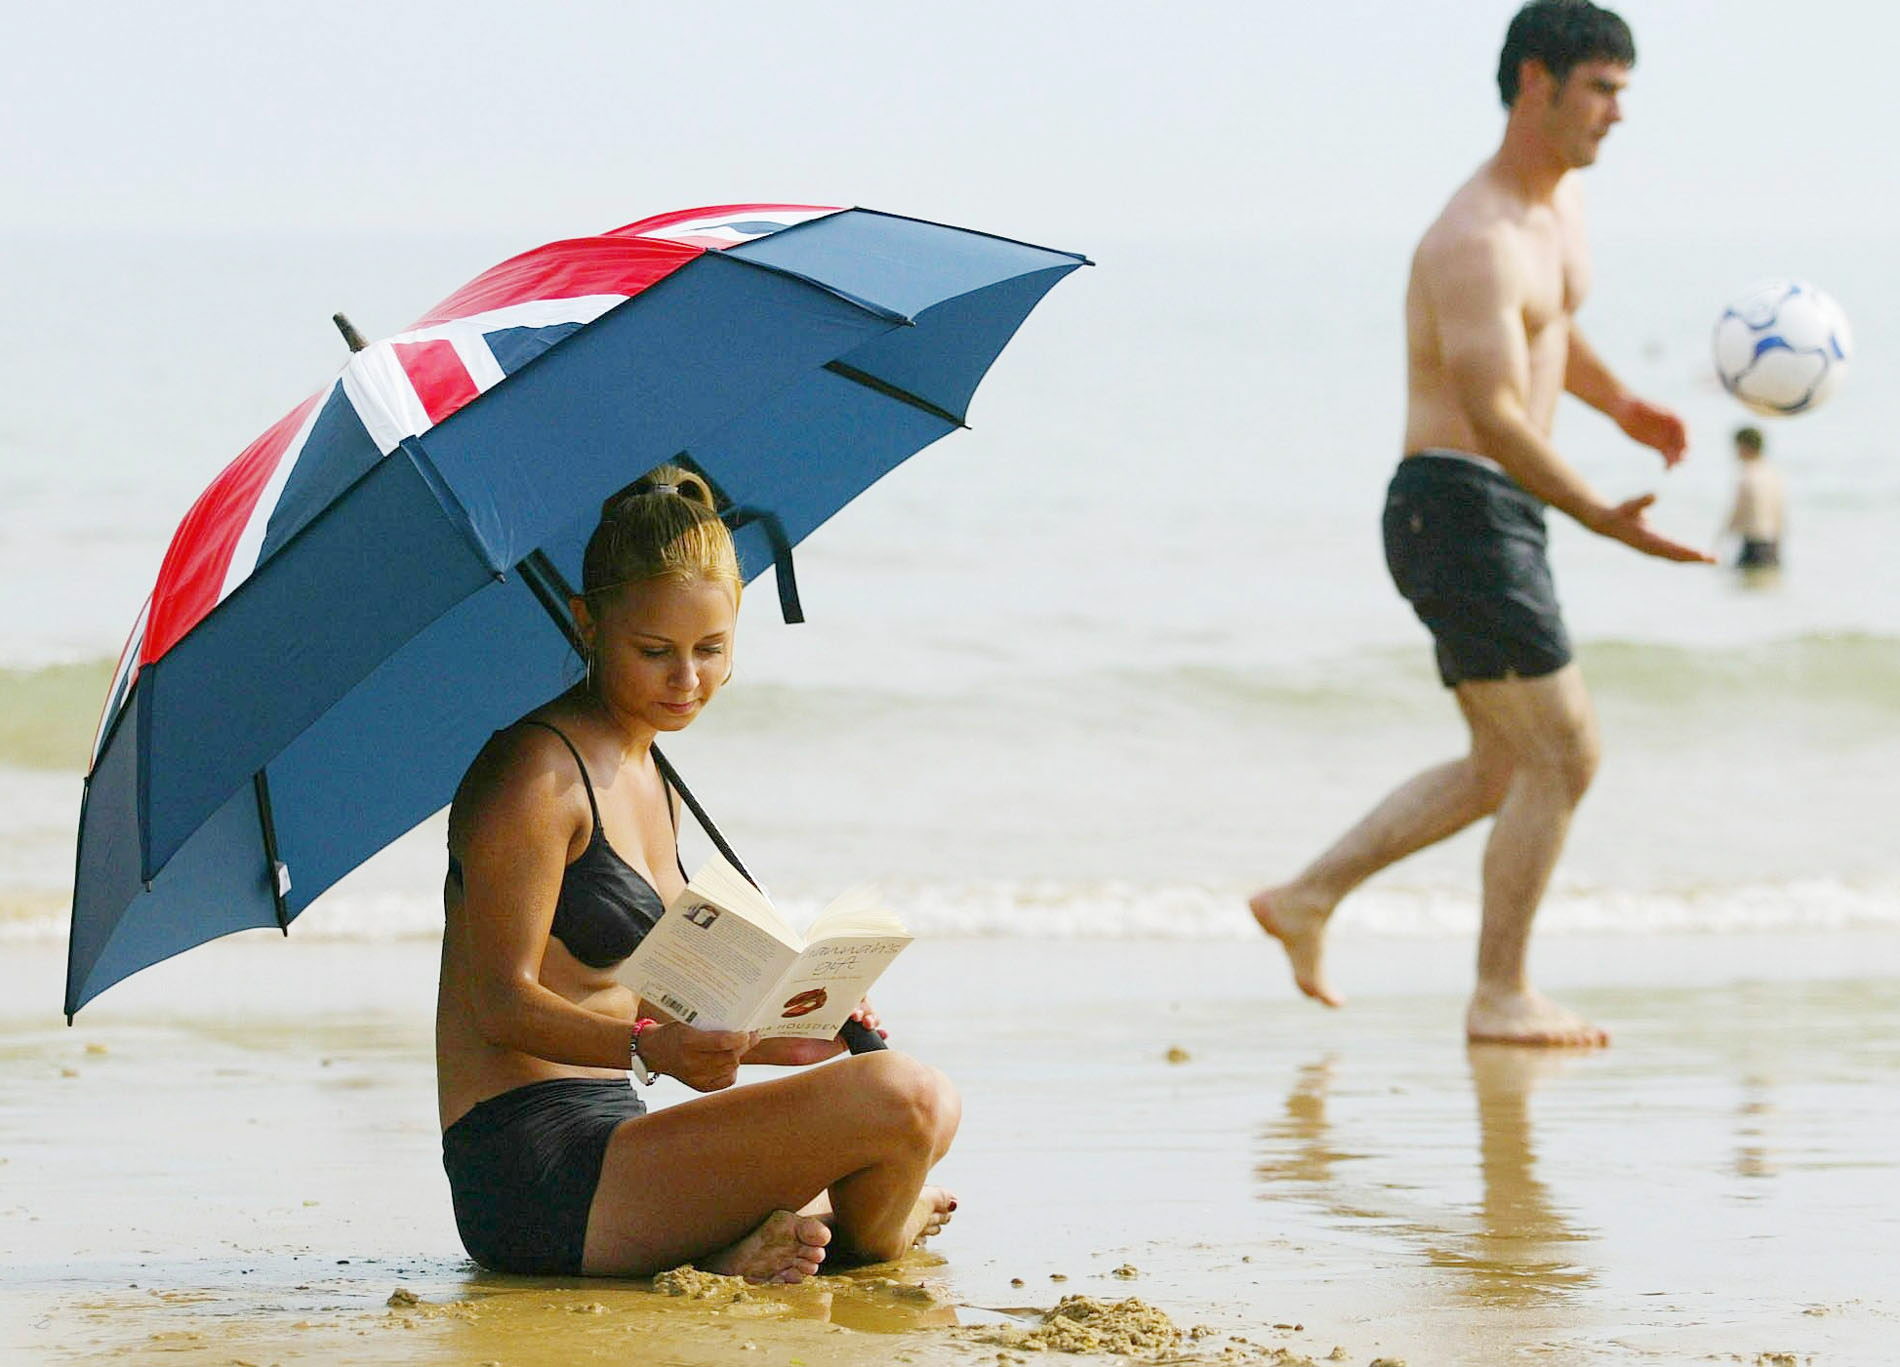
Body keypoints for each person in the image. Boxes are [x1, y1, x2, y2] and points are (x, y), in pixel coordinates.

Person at [1248, 0, 1713, 1048]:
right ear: (1536, 83)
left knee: (1504, 766)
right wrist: (1600, 512)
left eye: (1623, 93)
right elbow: (1497, 411)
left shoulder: (1558, 212)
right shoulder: (1473, 237)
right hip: (1455, 503)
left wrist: (1624, 405)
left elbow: (1550, 334)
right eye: (1601, 89)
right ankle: (1499, 993)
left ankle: (1306, 897)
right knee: (1567, 753)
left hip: (1483, 509)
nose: (1616, 115)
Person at [437, 465, 959, 1281]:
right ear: (587, 623)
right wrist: (656, 1047)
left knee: (926, 1100)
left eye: (711, 650)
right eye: (656, 652)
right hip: (533, 1168)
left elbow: (648, 994)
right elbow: (499, 1002)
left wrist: (789, 1029)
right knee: (903, 1101)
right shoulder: (533, 776)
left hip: (623, 1135)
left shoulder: (652, 772)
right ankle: (872, 1233)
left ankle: (743, 1248)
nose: (687, 680)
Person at [1723, 426, 1785, 573]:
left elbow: (1738, 511)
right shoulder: (1773, 474)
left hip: (1754, 543)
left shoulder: (1747, 475)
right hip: (1773, 543)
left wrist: (1721, 538)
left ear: (1745, 446)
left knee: (1745, 588)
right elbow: (1780, 513)